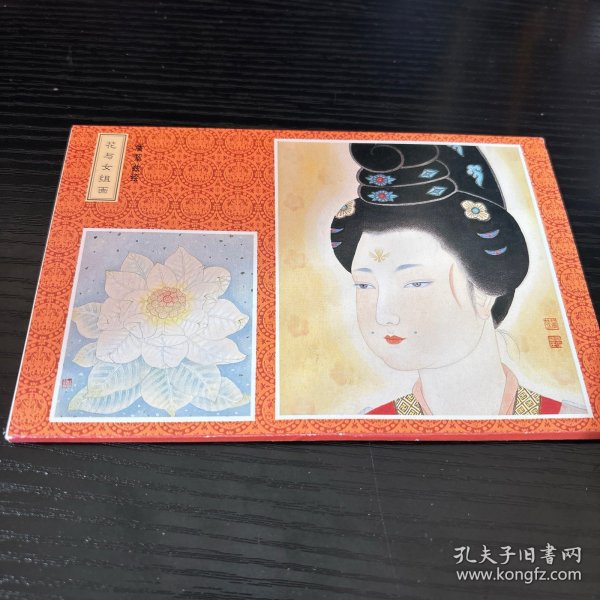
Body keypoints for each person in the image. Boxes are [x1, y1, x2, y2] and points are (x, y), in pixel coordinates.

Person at [330, 142, 571, 416]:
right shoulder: (372, 427)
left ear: (483, 293)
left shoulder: (565, 418)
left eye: (415, 283)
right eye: (364, 285)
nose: (383, 315)